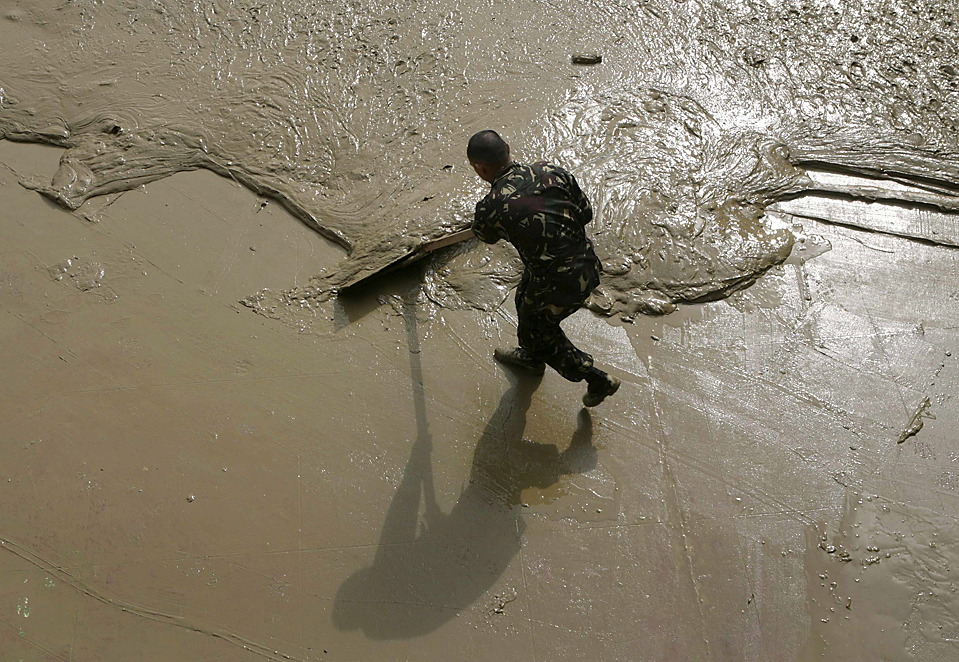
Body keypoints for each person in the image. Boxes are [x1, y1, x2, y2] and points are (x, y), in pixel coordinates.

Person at [466, 130, 620, 407]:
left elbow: (485, 235)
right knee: (525, 299)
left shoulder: (492, 205)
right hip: (587, 264)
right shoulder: (550, 171)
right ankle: (532, 357)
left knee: (537, 334)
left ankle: (597, 379)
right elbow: (584, 212)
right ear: (508, 148)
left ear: (480, 167)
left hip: (560, 284)